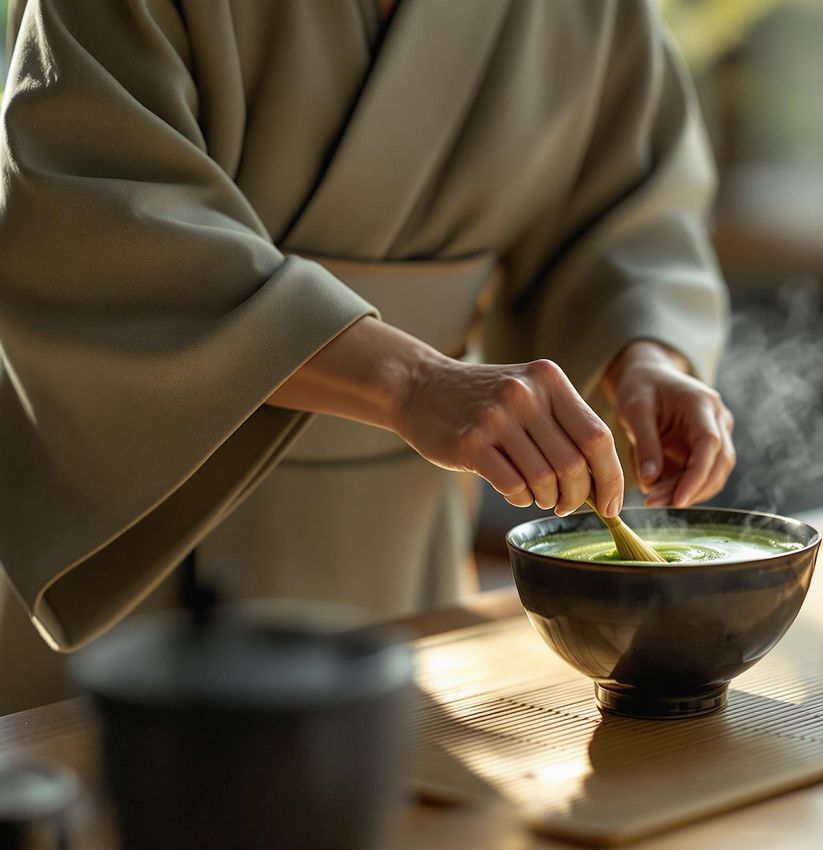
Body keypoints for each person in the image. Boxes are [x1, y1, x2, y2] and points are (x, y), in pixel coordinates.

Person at [0, 0, 734, 711]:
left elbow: (628, 207)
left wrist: (644, 350)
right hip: (147, 496)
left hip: (400, 518)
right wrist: (410, 380)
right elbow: (88, 213)